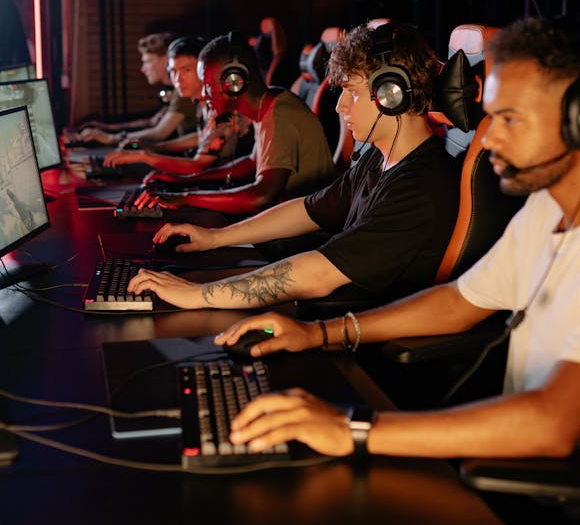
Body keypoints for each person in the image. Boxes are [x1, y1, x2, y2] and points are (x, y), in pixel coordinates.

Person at [214, 15, 580, 461]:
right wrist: (317, 334)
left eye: (509, 119)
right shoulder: (546, 211)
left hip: (561, 499)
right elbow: (458, 303)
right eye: (491, 116)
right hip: (510, 458)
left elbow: (553, 424)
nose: (491, 139)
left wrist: (350, 428)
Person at [127, 20, 461, 310]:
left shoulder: (420, 187)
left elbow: (320, 274)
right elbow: (308, 209)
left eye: (351, 92)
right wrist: (215, 238)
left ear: (392, 94)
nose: (340, 107)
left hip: (355, 345)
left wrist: (200, 294)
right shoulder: (377, 158)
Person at [124, 30, 335, 230]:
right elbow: (249, 164)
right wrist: (182, 183)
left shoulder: (280, 113)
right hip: (279, 225)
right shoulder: (269, 102)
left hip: (296, 239)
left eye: (207, 85)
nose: (204, 95)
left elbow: (261, 195)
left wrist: (186, 197)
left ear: (234, 81)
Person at [101, 35, 254, 179]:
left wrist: (144, 155)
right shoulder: (202, 102)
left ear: (204, 70)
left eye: (186, 70)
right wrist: (155, 148)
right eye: (173, 72)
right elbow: (204, 139)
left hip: (232, 185)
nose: (178, 79)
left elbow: (198, 166)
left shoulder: (221, 107)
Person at [68, 32, 197, 147]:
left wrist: (110, 138)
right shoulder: (176, 90)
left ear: (165, 61)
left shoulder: (184, 90)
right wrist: (107, 128)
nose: (143, 69)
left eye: (147, 61)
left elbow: (159, 133)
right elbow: (152, 122)